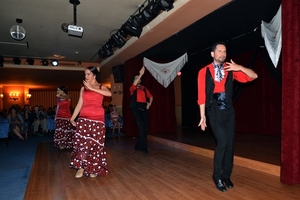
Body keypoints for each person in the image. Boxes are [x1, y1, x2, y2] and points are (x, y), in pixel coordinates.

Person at [197, 42, 258, 192]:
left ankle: (226, 176)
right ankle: (217, 176)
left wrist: (240, 68)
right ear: (213, 54)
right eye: (219, 51)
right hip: (214, 110)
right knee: (222, 142)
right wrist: (202, 116)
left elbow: (254, 75)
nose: (222, 54)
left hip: (229, 111)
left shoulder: (230, 69)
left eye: (224, 51)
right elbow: (201, 96)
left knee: (230, 145)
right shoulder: (204, 71)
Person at [69, 66, 112, 178]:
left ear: (94, 75)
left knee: (95, 145)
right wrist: (72, 118)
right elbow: (79, 104)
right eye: (85, 74)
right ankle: (81, 167)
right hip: (84, 118)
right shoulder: (83, 88)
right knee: (83, 144)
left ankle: (93, 167)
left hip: (98, 119)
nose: (86, 76)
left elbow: (109, 94)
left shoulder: (102, 87)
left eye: (88, 74)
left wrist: (92, 88)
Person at [129, 66, 153, 154]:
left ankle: (138, 145)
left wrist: (149, 104)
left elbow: (151, 96)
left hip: (143, 108)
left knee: (145, 128)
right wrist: (140, 74)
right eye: (136, 78)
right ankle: (144, 147)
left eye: (139, 78)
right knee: (141, 125)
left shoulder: (144, 88)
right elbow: (134, 84)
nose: (138, 79)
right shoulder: (132, 88)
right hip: (136, 108)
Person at [54, 86, 75, 150]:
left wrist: (59, 96)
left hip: (67, 116)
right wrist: (55, 116)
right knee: (60, 131)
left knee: (67, 131)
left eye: (58, 90)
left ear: (62, 90)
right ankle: (61, 144)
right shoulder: (58, 99)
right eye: (57, 90)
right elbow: (58, 108)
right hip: (59, 116)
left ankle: (67, 144)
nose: (57, 91)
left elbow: (65, 97)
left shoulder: (67, 97)